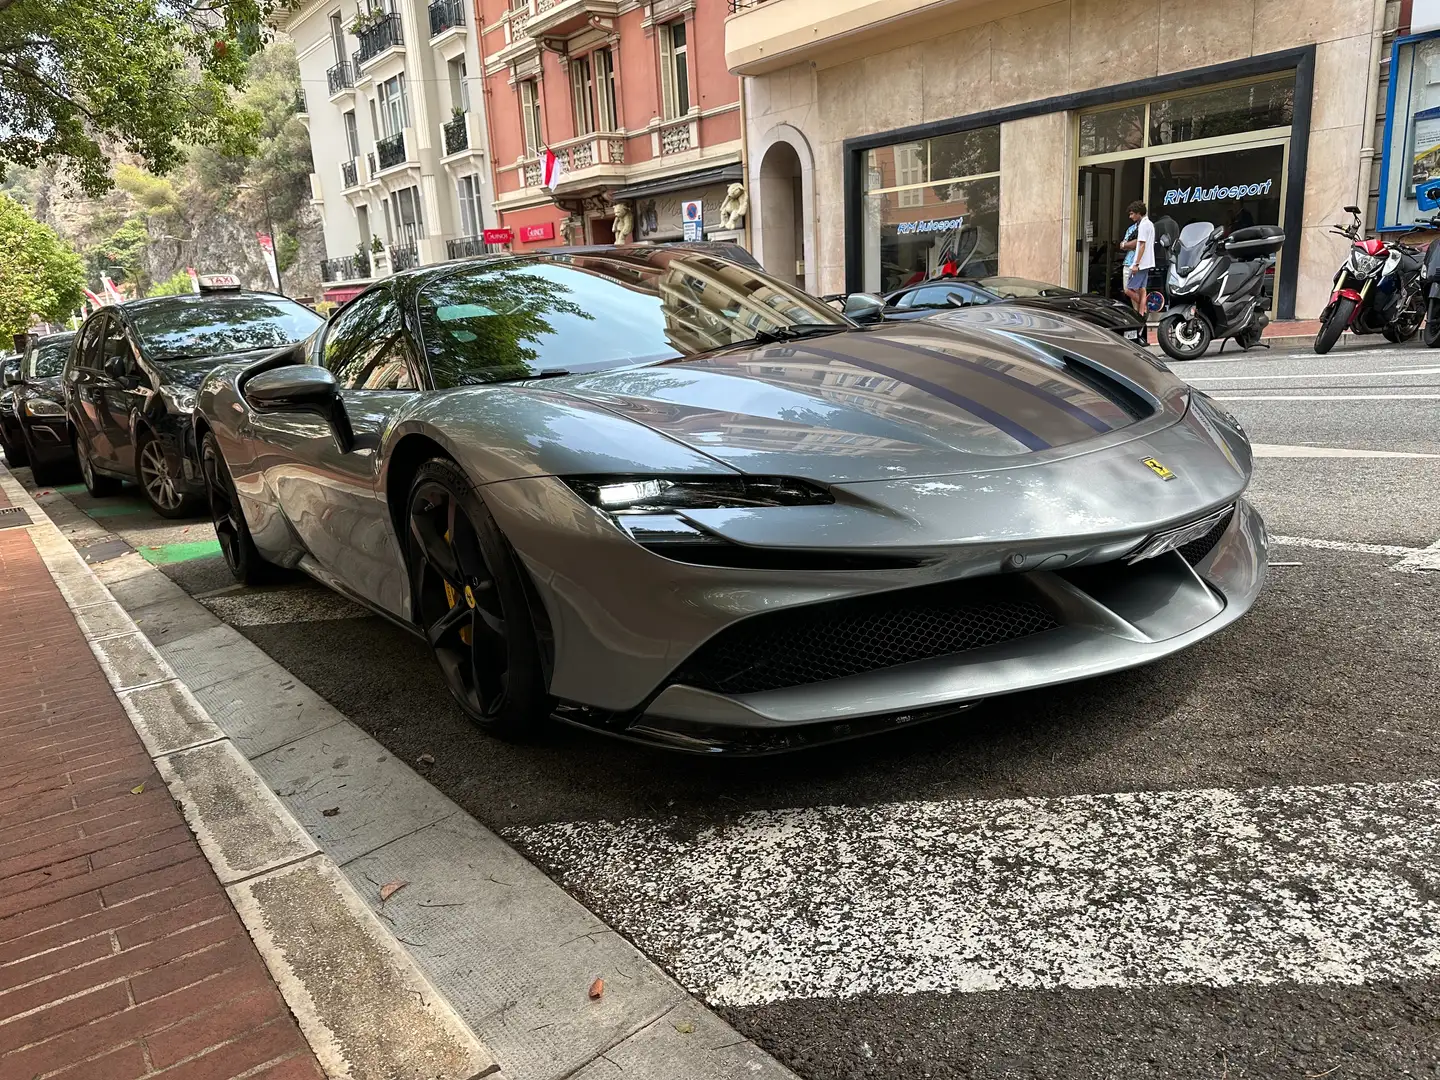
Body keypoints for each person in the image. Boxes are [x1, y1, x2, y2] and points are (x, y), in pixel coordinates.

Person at [1124, 200, 1155, 343]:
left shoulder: (1143, 225)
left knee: (1129, 289)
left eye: (1132, 214)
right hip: (1147, 263)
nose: (1130, 216)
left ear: (1138, 213)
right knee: (1142, 289)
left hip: (1141, 264)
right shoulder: (1150, 224)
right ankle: (1142, 313)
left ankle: (1143, 310)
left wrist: (1136, 263)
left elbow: (1141, 245)